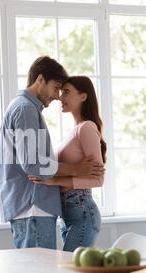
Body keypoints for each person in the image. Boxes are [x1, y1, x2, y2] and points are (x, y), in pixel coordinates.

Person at [0, 57, 104, 250]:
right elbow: (33, 164)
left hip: (31, 205)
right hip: (33, 204)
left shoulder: (23, 107)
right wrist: (75, 169)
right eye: (56, 88)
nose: (57, 96)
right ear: (40, 79)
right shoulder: (26, 109)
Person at [30, 76, 106, 252]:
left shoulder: (86, 128)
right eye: (61, 91)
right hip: (69, 215)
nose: (60, 97)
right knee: (70, 272)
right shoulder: (75, 131)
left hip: (83, 212)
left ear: (83, 97)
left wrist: (54, 181)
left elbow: (98, 180)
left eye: (66, 92)